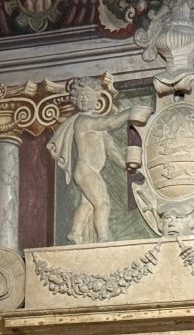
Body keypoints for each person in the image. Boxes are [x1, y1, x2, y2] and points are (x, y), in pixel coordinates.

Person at [47, 76, 135, 244]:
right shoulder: (84, 121)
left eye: (87, 96)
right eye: (80, 97)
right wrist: (131, 113)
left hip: (89, 171)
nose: (84, 99)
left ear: (97, 99)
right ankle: (103, 238)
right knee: (103, 203)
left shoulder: (96, 126)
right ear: (74, 100)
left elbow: (111, 151)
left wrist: (126, 165)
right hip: (87, 170)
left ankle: (75, 232)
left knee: (88, 204)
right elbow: (110, 122)